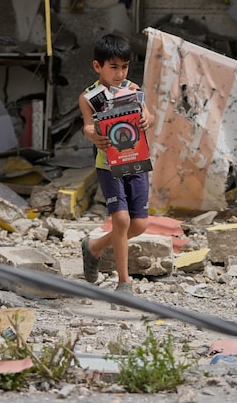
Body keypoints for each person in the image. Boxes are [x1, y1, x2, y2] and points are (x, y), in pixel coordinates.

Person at [79, 34, 153, 293]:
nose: (120, 73)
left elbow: (148, 115)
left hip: (137, 160)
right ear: (97, 66)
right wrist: (93, 135)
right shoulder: (89, 97)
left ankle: (95, 247)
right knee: (121, 220)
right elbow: (88, 126)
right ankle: (124, 282)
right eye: (114, 67)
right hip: (108, 164)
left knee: (140, 225)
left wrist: (146, 120)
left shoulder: (132, 90)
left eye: (124, 66)